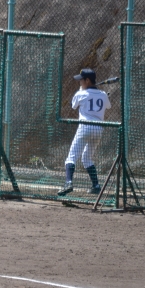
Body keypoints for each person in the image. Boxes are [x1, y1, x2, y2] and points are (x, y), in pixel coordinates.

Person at [58, 68, 112, 196]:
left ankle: (68, 183)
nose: (80, 82)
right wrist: (100, 95)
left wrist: (81, 91)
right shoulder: (103, 94)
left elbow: (73, 106)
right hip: (98, 129)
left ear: (87, 80)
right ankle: (96, 186)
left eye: (82, 80)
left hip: (85, 127)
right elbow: (108, 106)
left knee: (71, 157)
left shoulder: (80, 94)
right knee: (87, 158)